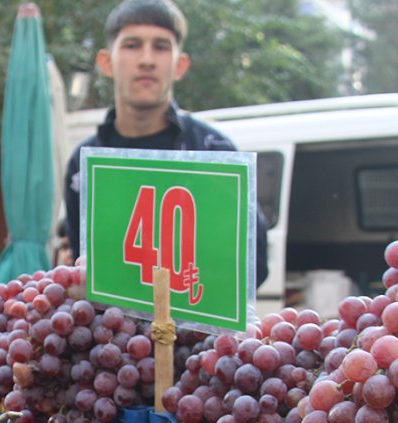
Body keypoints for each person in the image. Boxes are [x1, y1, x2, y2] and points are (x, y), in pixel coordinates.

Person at [63, 0, 268, 288]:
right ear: (106, 62)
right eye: (132, 45)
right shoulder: (81, 165)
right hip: (112, 319)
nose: (147, 59)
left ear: (180, 65)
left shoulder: (214, 152)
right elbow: (83, 266)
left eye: (161, 47)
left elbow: (253, 265)